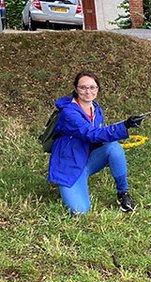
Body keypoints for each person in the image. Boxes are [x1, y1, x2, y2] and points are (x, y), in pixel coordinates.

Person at [48, 71, 145, 215]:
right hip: (70, 165)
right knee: (80, 210)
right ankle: (73, 182)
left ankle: (123, 194)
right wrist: (124, 125)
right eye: (83, 87)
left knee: (114, 147)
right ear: (76, 89)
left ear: (97, 89)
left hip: (87, 160)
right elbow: (91, 134)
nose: (88, 91)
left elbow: (99, 136)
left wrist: (120, 128)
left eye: (92, 87)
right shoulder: (69, 113)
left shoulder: (96, 108)